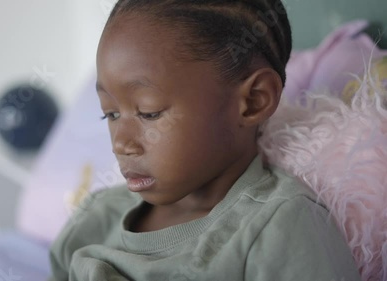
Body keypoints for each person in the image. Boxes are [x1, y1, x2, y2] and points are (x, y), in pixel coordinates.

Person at [48, 0, 361, 280]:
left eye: (149, 112)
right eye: (111, 114)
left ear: (254, 100)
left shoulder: (279, 229)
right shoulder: (95, 218)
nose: (121, 144)